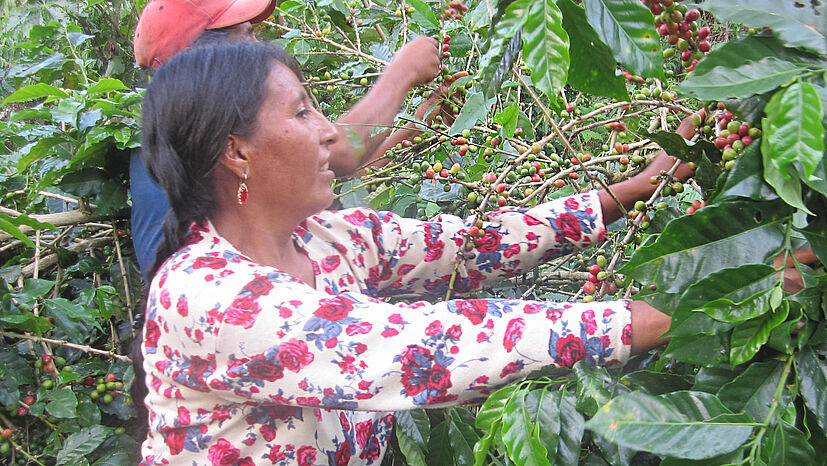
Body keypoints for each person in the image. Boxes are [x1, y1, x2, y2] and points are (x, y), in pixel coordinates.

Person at [137, 41, 697, 465]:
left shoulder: (330, 239)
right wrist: (666, 317)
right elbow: (426, 347)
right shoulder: (206, 297)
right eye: (304, 112)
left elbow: (471, 245)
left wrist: (634, 189)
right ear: (236, 151)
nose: (331, 132)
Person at [130, 0, 444, 279]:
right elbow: (345, 152)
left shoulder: (203, 138)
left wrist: (416, 126)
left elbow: (344, 167)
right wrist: (403, 72)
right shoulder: (216, 286)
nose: (258, 44)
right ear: (203, 65)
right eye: (245, 36)